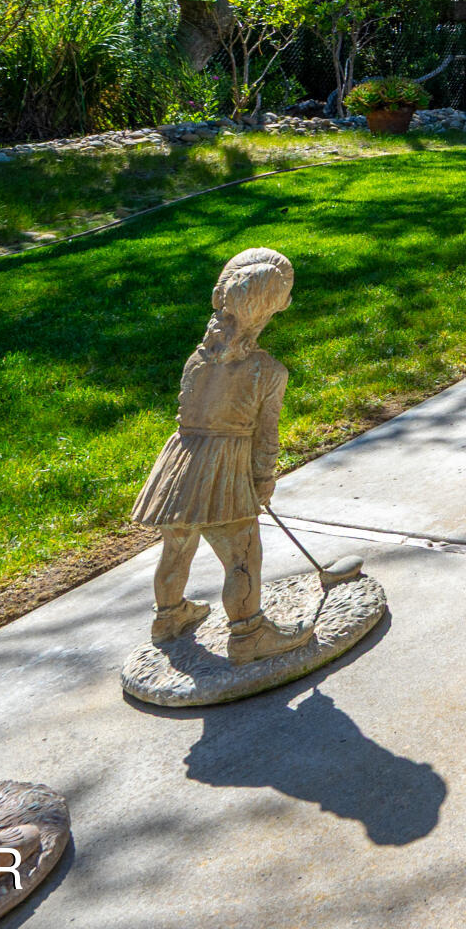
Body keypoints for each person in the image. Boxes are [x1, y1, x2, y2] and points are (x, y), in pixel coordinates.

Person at [132, 246, 308, 662]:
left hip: (180, 464)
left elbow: (186, 409)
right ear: (275, 307)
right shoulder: (268, 372)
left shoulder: (198, 358)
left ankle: (169, 615)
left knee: (176, 546)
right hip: (224, 471)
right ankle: (248, 634)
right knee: (242, 553)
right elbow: (266, 438)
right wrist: (263, 479)